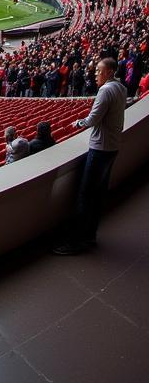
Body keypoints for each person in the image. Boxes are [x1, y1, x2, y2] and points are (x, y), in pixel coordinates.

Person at [54, 57, 128, 255]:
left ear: (110, 72)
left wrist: (78, 123)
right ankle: (90, 235)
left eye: (99, 71)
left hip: (100, 148)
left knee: (85, 195)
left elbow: (92, 119)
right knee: (97, 194)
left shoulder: (105, 90)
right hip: (112, 147)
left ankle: (76, 241)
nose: (95, 74)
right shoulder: (121, 87)